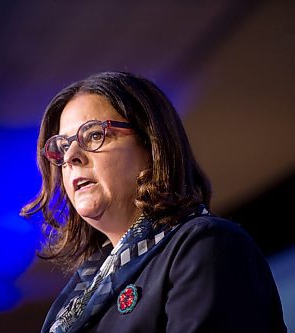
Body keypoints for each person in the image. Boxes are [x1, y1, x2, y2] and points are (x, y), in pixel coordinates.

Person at [20, 71, 286, 333]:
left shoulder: (207, 245)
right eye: (62, 147)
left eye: (93, 135)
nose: (72, 156)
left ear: (151, 145)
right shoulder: (78, 293)